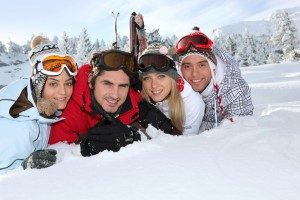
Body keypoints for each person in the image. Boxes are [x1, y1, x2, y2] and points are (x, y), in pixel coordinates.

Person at [49, 49, 181, 157]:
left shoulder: (135, 104)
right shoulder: (67, 115)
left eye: (123, 86)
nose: (115, 95)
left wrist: (136, 139)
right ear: (90, 80)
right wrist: (85, 148)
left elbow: (177, 141)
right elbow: (57, 160)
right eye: (107, 84)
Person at [0, 36, 78, 173]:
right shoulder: (19, 125)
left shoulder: (40, 109)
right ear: (39, 85)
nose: (63, 92)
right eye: (53, 84)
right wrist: (25, 167)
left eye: (68, 83)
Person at [175, 27, 254, 131]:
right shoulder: (174, 87)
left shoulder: (235, 90)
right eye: (187, 66)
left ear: (213, 67)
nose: (195, 74)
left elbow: (241, 133)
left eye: (202, 65)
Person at [138, 43, 204, 135]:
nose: (153, 85)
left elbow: (188, 144)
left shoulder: (192, 103)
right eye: (147, 78)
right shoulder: (141, 99)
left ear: (173, 78)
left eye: (161, 76)